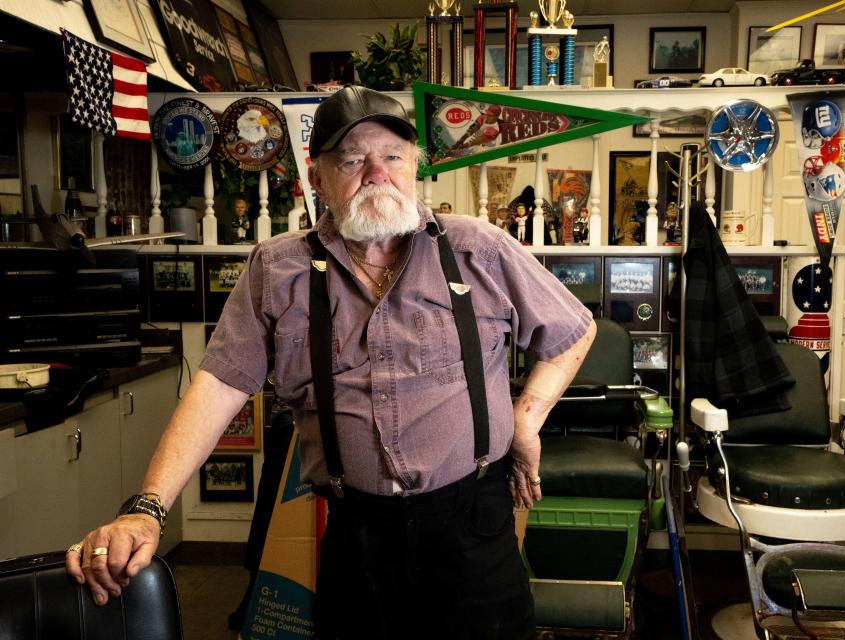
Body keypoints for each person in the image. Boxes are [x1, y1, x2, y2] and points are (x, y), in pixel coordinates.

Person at [64, 85, 596, 640]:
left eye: (392, 157)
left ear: (415, 168)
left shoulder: (477, 249)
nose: (376, 173)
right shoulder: (277, 270)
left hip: (472, 526)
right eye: (351, 159)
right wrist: (147, 508)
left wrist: (527, 420)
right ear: (316, 180)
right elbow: (220, 384)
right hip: (356, 533)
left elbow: (571, 333)